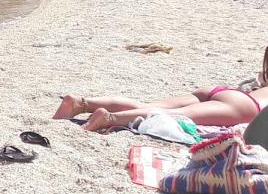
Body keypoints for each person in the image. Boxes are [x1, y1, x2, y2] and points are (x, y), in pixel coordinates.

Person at [54, 46, 268, 131]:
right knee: (175, 115)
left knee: (145, 106)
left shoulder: (261, 82)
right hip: (246, 107)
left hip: (223, 91)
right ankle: (109, 118)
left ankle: (81, 104)